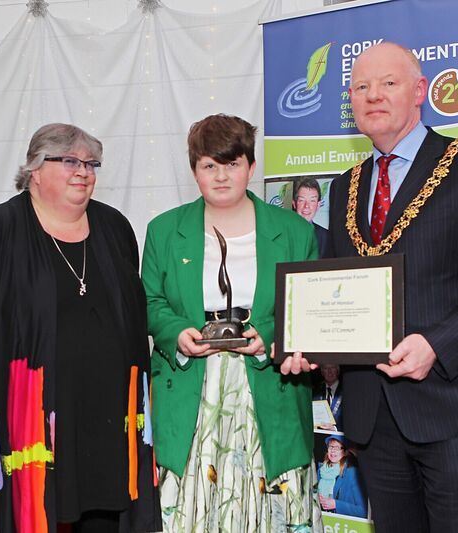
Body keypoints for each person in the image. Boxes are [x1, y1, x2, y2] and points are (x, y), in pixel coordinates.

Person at [282, 43, 458, 532]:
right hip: (373, 416)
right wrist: (309, 345)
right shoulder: (346, 185)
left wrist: (437, 345)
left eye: (388, 83)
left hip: (456, 406)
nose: (372, 95)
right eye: (360, 87)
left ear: (420, 91)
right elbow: (337, 289)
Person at [0, 123, 160, 532]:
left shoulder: (115, 228)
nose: (83, 171)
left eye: (91, 163)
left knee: (105, 515)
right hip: (24, 421)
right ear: (34, 169)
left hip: (103, 419)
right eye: (69, 161)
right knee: (26, 516)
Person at [142, 114, 321, 532]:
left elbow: (308, 305)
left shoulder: (294, 231)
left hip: (268, 389)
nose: (221, 177)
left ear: (251, 167)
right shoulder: (165, 231)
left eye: (232, 164)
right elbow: (149, 301)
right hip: (191, 393)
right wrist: (175, 334)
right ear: (194, 171)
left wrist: (271, 334)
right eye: (209, 166)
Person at [316, 435, 367, 518]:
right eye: (331, 447)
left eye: (337, 448)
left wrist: (336, 505)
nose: (333, 451)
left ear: (345, 452)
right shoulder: (321, 471)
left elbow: (363, 511)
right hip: (323, 520)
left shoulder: (352, 473)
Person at [292, 177, 329, 254]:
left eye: (312, 201)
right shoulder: (282, 234)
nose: (306, 206)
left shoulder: (326, 237)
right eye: (302, 200)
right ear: (294, 204)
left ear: (318, 205)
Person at [312, 364, 342, 429]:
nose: (329, 371)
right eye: (326, 368)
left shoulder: (347, 390)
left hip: (340, 437)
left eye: (333, 368)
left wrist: (335, 429)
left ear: (337, 370)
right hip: (318, 435)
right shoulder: (315, 392)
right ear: (322, 372)